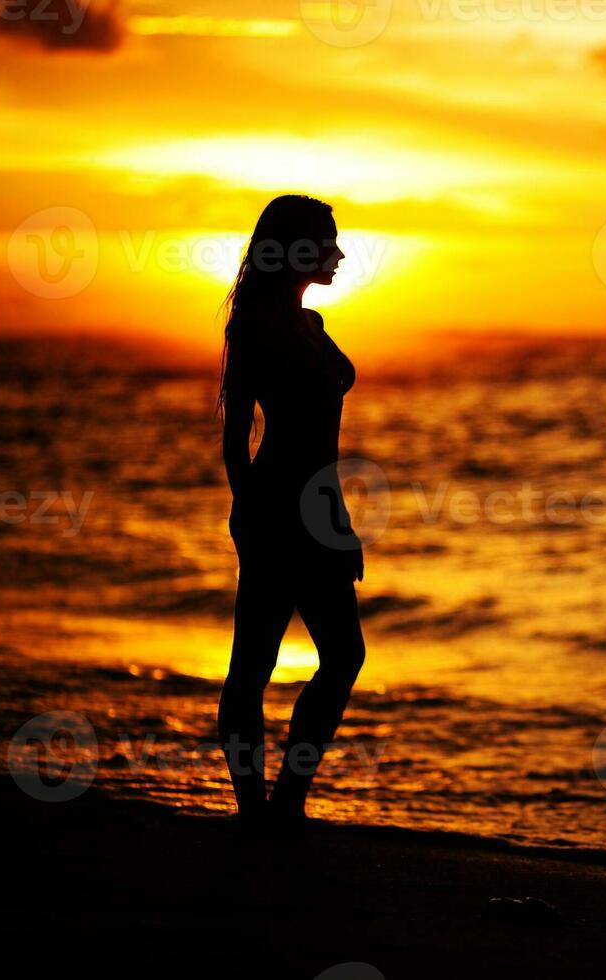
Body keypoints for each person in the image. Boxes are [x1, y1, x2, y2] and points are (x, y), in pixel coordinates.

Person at [215, 194, 365, 825]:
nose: (336, 252)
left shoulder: (313, 324)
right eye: (325, 240)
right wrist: (247, 510)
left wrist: (339, 522)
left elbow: (320, 447)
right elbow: (236, 436)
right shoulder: (255, 324)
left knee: (343, 656)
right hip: (278, 504)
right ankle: (259, 808)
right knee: (254, 664)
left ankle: (285, 802)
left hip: (320, 506)